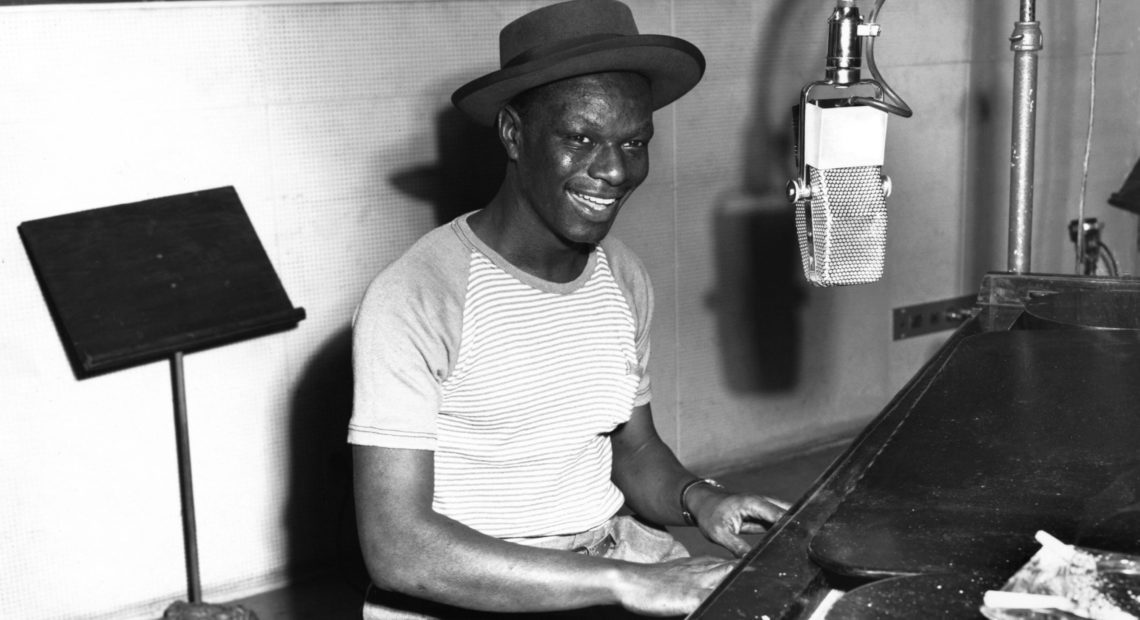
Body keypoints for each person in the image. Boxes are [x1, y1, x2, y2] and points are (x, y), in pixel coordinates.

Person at [348, 1, 789, 617]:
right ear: (512, 133)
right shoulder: (416, 296)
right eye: (580, 137)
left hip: (610, 555)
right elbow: (399, 550)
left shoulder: (622, 274)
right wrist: (625, 584)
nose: (613, 170)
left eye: (634, 142)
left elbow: (632, 451)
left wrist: (701, 500)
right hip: (477, 588)